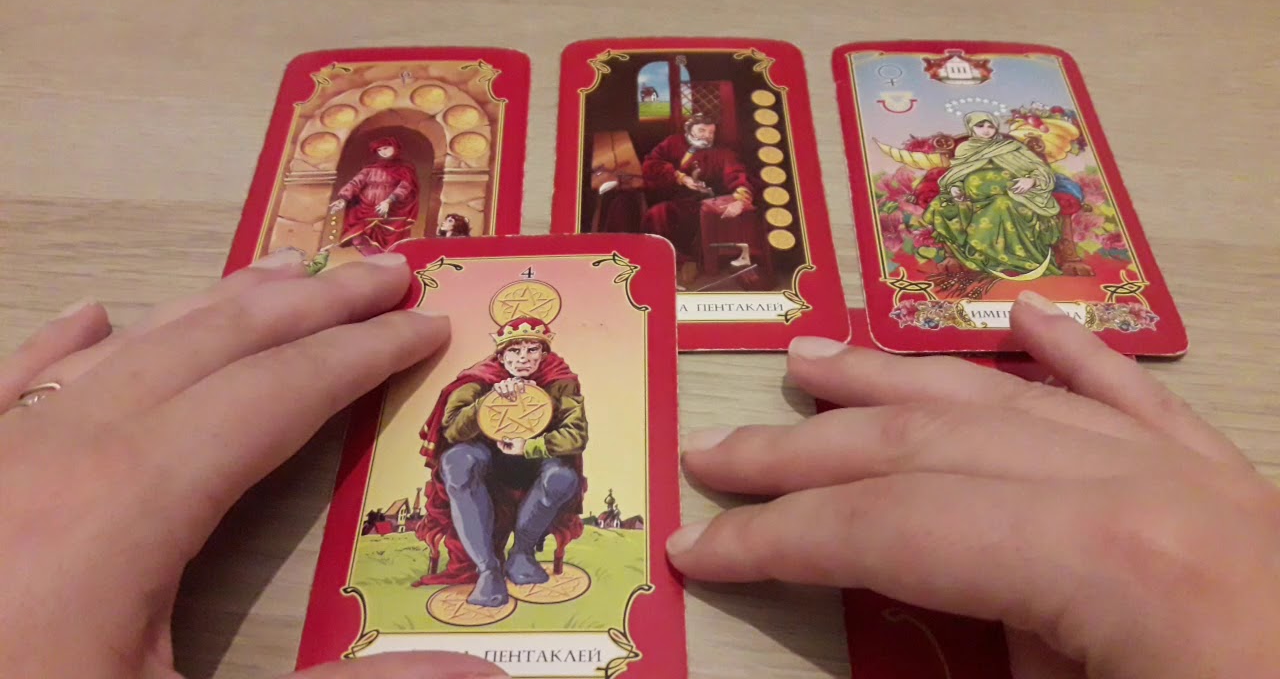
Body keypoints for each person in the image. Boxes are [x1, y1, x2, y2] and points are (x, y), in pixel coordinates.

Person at [0, 250, 1276, 679]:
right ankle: (492, 577)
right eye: (507, 348)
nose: (515, 355)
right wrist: (475, 429)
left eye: (525, 348)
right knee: (461, 480)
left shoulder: (556, 383)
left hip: (544, 480)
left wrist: (539, 437)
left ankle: (521, 562)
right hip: (479, 479)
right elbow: (449, 438)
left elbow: (570, 441)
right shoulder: (478, 384)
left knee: (557, 486)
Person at [414, 316, 587, 607]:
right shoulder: (479, 379)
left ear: (544, 354)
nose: (523, 358)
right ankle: (488, 570)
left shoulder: (560, 381)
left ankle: (522, 553)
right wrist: (489, 401)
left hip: (535, 461)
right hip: (487, 463)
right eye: (515, 351)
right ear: (501, 355)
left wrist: (529, 446)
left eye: (532, 350)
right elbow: (452, 430)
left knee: (562, 477)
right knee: (456, 461)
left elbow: (576, 435)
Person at [926, 111, 1062, 279]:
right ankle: (982, 260)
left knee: (1001, 204)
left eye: (990, 126)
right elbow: (957, 175)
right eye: (980, 126)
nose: (986, 130)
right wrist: (955, 188)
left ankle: (1014, 262)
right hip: (973, 200)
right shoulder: (965, 149)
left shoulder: (1011, 147)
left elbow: (1041, 170)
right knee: (940, 205)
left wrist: (1032, 181)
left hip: (1014, 197)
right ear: (971, 128)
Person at [639, 114, 756, 271]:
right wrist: (680, 177)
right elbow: (650, 163)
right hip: (665, 193)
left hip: (697, 201)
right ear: (689, 130)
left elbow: (737, 175)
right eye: (702, 130)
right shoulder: (673, 142)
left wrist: (741, 200)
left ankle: (679, 261)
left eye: (711, 132)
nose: (707, 136)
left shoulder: (722, 153)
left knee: (660, 214)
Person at [329, 136, 420, 254]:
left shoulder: (404, 169)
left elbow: (405, 186)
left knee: (392, 244)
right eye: (379, 150)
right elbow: (355, 183)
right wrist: (343, 199)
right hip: (365, 210)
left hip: (392, 211)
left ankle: (386, 262)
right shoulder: (370, 168)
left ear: (395, 148)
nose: (383, 152)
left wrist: (388, 201)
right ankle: (374, 259)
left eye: (386, 148)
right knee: (359, 239)